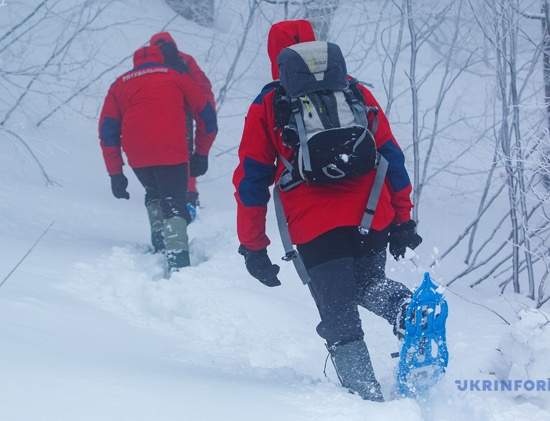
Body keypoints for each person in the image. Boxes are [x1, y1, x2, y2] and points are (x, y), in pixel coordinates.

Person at [233, 20, 422, 401]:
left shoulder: (269, 104)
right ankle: (408, 309)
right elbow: (391, 157)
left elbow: (251, 182)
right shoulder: (356, 91)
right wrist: (402, 217)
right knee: (368, 285)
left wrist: (254, 246)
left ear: (277, 55)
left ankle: (366, 400)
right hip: (372, 214)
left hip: (316, 227)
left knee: (339, 315)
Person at [98, 44, 217, 272]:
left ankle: (161, 245)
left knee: (154, 192)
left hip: (138, 156)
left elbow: (107, 131)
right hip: (172, 150)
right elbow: (206, 115)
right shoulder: (176, 76)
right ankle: (178, 263)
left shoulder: (120, 84)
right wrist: (201, 153)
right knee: (173, 201)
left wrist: (116, 173)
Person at [149, 32, 218, 212]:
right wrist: (205, 110)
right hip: (181, 115)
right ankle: (188, 195)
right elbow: (203, 86)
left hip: (153, 117)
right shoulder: (185, 60)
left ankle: (158, 196)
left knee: (156, 158)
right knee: (183, 157)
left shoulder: (148, 64)